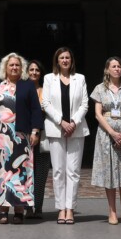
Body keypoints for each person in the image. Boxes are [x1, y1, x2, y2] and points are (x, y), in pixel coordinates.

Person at [0, 52, 44, 224]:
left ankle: (19, 211)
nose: (14, 67)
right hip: (1, 137)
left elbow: (35, 110)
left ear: (21, 68)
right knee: (2, 173)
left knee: (20, 173)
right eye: (11, 65)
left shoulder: (27, 86)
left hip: (21, 136)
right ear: (5, 67)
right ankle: (3, 210)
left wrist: (35, 131)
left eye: (17, 65)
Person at [42, 46, 90, 225]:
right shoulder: (49, 79)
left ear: (71, 61)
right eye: (61, 58)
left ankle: (70, 208)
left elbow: (84, 104)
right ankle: (61, 208)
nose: (64, 60)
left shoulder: (81, 79)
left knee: (73, 171)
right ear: (57, 60)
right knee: (58, 171)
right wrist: (61, 122)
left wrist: (73, 123)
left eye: (67, 58)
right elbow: (46, 103)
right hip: (56, 128)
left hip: (76, 130)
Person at [91, 56, 121, 225]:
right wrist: (112, 132)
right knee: (109, 171)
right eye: (114, 66)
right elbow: (98, 113)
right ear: (107, 70)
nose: (117, 69)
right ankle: (112, 211)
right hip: (106, 134)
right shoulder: (99, 89)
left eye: (119, 66)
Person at [26, 59, 51, 219]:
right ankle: (27, 206)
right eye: (31, 70)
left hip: (44, 136)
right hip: (25, 135)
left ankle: (39, 207)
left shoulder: (47, 91)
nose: (34, 72)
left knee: (41, 173)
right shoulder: (22, 89)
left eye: (37, 70)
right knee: (27, 172)